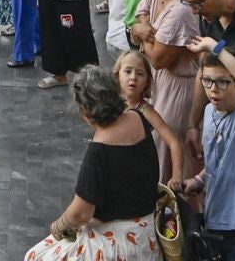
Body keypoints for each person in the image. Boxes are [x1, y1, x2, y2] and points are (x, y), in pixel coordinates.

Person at [23, 65, 162, 261]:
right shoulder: (137, 117)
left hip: (117, 243)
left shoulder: (99, 150)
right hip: (146, 234)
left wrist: (58, 226)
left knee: (36, 257)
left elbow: (81, 213)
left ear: (85, 109)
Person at [177, 46, 235, 261]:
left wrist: (212, 45)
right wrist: (198, 180)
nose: (213, 89)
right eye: (207, 81)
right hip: (214, 218)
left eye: (223, 82)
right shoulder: (208, 112)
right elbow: (216, 161)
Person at [126, 0, 198, 180]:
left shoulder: (180, 11)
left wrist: (142, 32)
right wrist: (142, 29)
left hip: (176, 92)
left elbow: (158, 59)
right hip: (157, 86)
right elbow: (138, 17)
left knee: (165, 151)